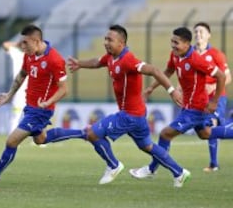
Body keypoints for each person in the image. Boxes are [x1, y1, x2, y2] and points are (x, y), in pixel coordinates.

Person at [67, 24, 190, 188]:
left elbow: (153, 70)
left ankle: (113, 165)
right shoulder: (111, 57)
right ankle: (179, 172)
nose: (105, 42)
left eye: (109, 40)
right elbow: (98, 62)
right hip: (137, 114)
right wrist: (80, 63)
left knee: (92, 133)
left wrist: (172, 90)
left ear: (121, 43)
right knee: (147, 146)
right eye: (105, 39)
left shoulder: (128, 60)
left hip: (130, 115)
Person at [0, 24, 87, 186]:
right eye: (22, 43)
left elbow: (64, 90)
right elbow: (22, 75)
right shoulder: (30, 55)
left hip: (41, 110)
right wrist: (9, 95)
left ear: (37, 41)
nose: (22, 46)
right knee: (41, 139)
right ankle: (83, 133)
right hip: (30, 107)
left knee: (11, 141)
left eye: (26, 43)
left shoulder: (54, 60)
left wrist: (47, 102)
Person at [129, 27, 233, 180]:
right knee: (206, 134)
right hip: (191, 107)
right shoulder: (175, 55)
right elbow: (168, 72)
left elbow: (221, 77)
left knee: (165, 134)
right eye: (172, 41)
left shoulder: (197, 59)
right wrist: (150, 88)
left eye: (176, 42)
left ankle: (151, 169)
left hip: (196, 109)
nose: (173, 45)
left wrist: (214, 101)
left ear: (186, 43)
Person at [193, 22, 231, 172]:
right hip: (199, 99)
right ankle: (230, 121)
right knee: (212, 128)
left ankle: (214, 164)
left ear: (209, 35)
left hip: (217, 97)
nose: (198, 34)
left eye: (201, 32)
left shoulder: (216, 54)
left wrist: (213, 87)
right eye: (196, 32)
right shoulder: (191, 54)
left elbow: (228, 78)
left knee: (211, 124)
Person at [2, 41, 27, 134]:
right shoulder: (17, 54)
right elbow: (5, 45)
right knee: (16, 114)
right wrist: (18, 43)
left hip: (32, 88)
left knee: (35, 115)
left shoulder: (32, 55)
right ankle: (12, 139)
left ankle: (39, 139)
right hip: (19, 88)